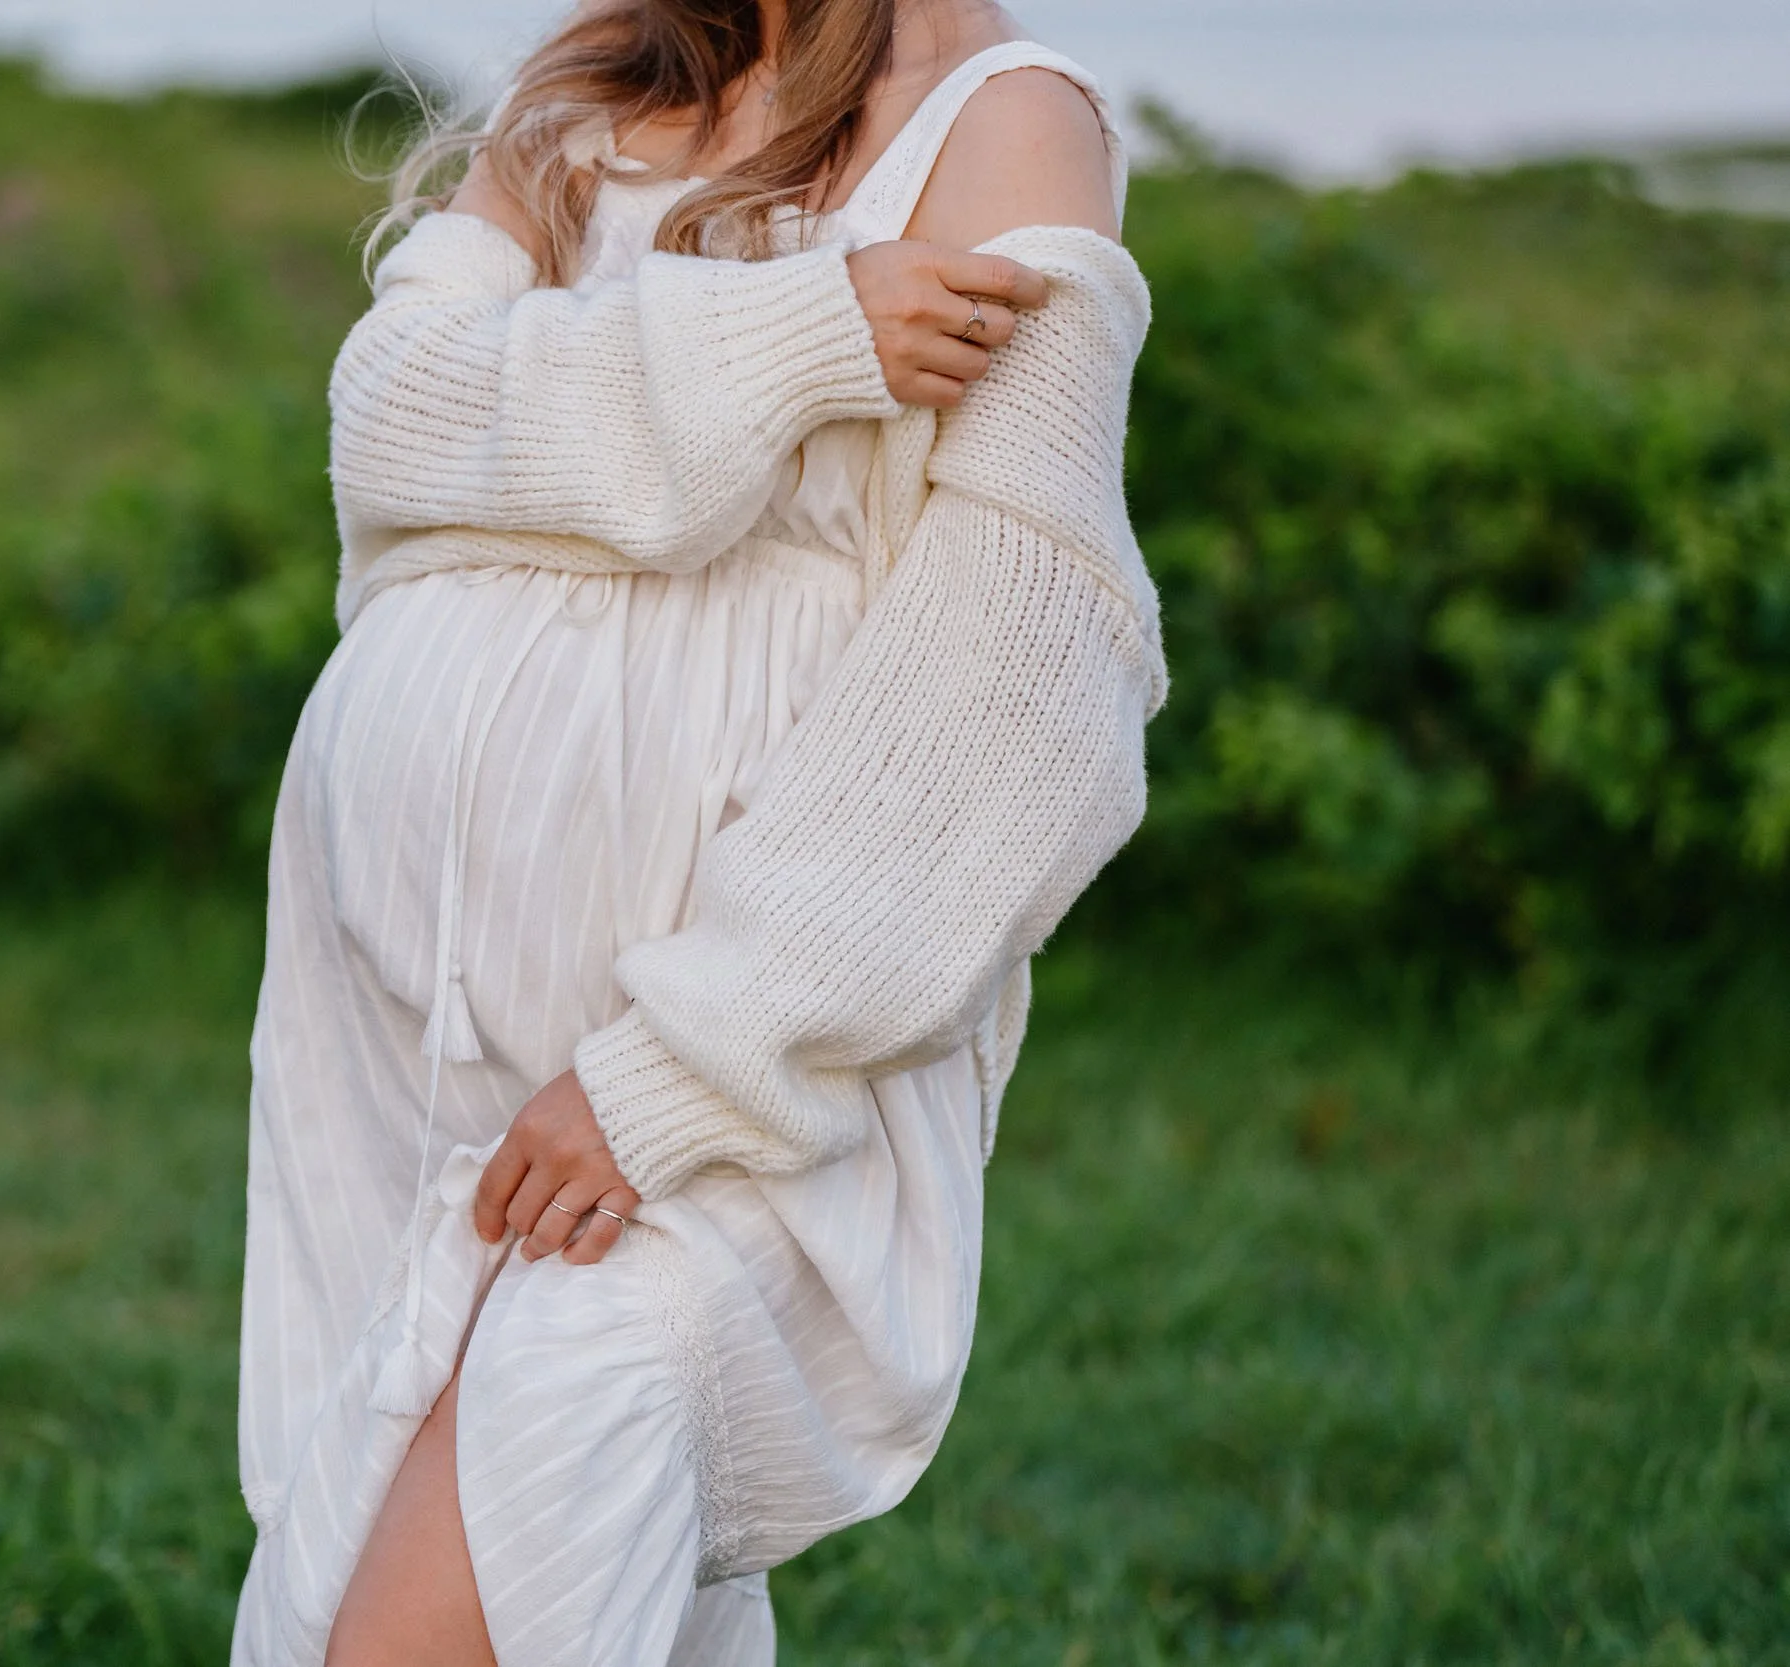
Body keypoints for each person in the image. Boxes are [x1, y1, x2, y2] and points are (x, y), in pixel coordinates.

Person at [234, 0, 1166, 1660]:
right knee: (467, 1588)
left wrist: (680, 1066)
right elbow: (389, 417)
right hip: (400, 1032)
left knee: (432, 1606)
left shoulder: (1004, 117)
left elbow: (1013, 669)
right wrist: (800, 338)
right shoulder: (601, 87)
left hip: (708, 1066)